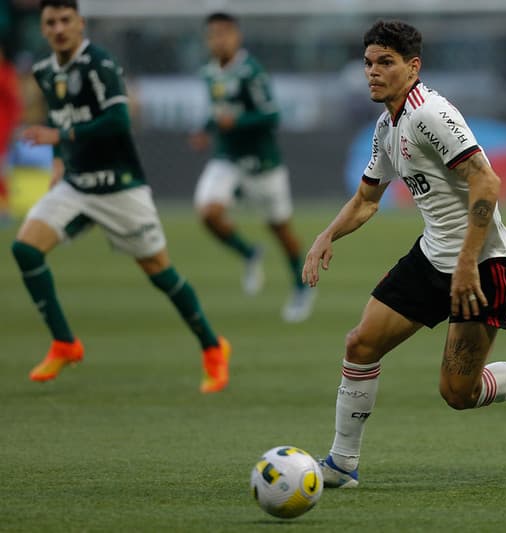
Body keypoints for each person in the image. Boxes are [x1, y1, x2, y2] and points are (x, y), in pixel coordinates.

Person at [303, 20, 506, 488]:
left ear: (413, 68)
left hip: (484, 266)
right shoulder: (386, 126)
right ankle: (342, 463)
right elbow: (367, 199)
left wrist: (468, 261)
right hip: (433, 259)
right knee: (360, 344)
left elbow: (487, 181)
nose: (373, 72)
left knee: (458, 393)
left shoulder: (429, 113)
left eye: (385, 62)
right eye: (368, 63)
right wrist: (325, 236)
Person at [12, 0, 230, 393]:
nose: (59, 28)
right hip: (77, 185)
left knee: (159, 272)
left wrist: (61, 136)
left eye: (65, 20)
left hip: (120, 187)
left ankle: (213, 347)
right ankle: (64, 343)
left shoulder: (99, 63)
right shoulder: (45, 71)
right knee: (25, 249)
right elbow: (60, 119)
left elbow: (117, 119)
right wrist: (59, 160)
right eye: (51, 22)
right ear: (43, 28)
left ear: (80, 23)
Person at [189, 12, 315, 323]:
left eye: (224, 33)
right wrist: (205, 128)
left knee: (281, 230)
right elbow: (218, 111)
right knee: (208, 213)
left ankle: (301, 287)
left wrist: (237, 122)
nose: (219, 40)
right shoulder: (209, 72)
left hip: (262, 163)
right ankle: (249, 253)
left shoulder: (250, 71)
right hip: (227, 159)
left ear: (237, 37)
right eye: (213, 35)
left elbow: (271, 115)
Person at [0, 42, 22, 224]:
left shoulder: (6, 73)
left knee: (2, 169)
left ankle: (5, 209)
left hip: (2, 130)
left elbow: (15, 103)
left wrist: (13, 127)